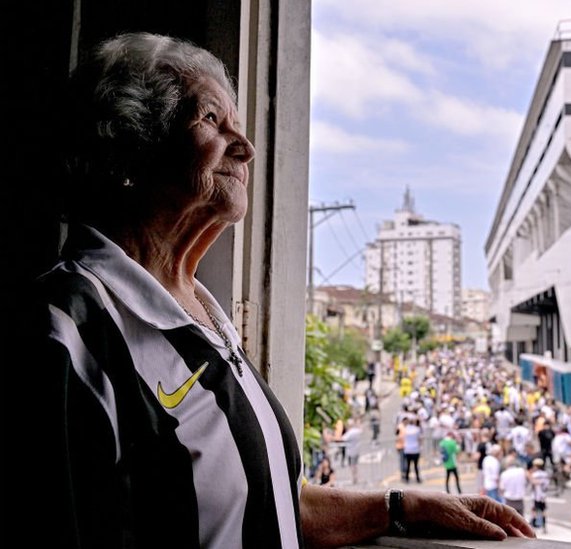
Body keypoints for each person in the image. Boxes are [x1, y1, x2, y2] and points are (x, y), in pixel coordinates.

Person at [25, 32, 533, 548]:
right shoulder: (65, 330)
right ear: (129, 152)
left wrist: (398, 506)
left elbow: (266, 500)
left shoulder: (203, 312)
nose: (245, 148)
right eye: (210, 121)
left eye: (239, 128)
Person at [528, 458, 550, 533]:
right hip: (543, 496)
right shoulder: (545, 474)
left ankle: (533, 526)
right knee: (543, 511)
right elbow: (547, 485)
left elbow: (532, 484)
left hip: (536, 496)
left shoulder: (535, 474)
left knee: (534, 510)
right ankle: (544, 526)